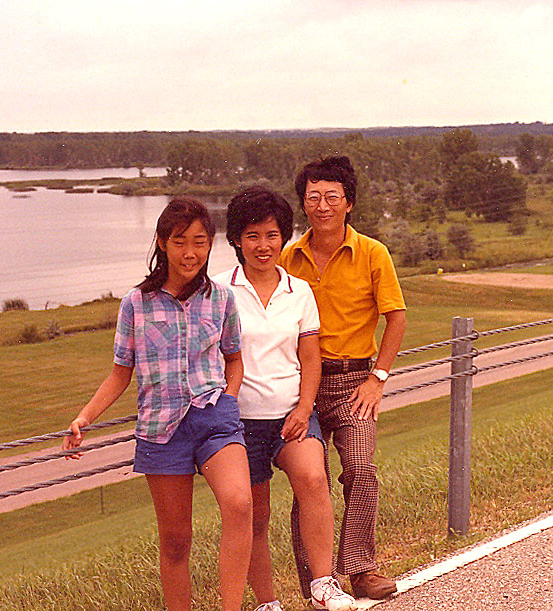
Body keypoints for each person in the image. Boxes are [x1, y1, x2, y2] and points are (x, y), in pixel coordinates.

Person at [63, 197, 253, 611]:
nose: (190, 253)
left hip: (214, 417)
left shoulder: (222, 299)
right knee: (175, 540)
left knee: (240, 505)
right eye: (180, 241)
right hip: (161, 431)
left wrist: (228, 399)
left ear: (211, 244)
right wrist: (84, 418)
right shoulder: (135, 305)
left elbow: (234, 360)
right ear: (162, 243)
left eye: (200, 242)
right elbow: (119, 374)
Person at [213, 187, 356, 611]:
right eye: (252, 236)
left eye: (272, 235)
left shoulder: (300, 291)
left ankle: (324, 584)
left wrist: (304, 407)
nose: (263, 246)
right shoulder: (219, 291)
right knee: (255, 514)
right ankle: (267, 602)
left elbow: (310, 357)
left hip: (292, 414)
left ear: (284, 237)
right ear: (236, 239)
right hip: (240, 423)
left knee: (313, 480)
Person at [278, 156, 407, 601]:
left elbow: (396, 318)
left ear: (349, 203)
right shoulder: (287, 258)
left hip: (355, 384)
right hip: (302, 388)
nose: (322, 206)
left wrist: (378, 379)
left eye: (332, 197)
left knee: (361, 469)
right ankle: (319, 583)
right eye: (313, 197)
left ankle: (361, 569)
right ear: (303, 203)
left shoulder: (373, 253)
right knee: (309, 480)